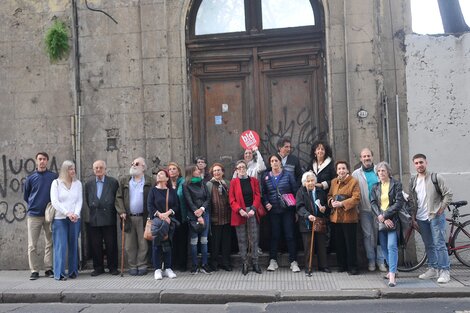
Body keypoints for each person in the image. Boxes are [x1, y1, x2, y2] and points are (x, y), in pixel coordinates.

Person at [409, 153, 453, 284]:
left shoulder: (435, 177)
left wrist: (441, 209)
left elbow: (448, 193)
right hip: (421, 217)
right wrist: (413, 217)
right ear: (414, 165)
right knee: (429, 244)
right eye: (416, 163)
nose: (419, 165)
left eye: (421, 162)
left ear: (426, 163)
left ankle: (445, 271)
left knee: (439, 244)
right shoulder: (413, 180)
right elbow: (413, 200)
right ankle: (433, 268)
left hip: (435, 216)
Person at [261, 154, 300, 272]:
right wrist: (266, 202)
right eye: (272, 161)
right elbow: (264, 193)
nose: (274, 163)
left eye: (276, 160)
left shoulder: (288, 175)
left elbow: (295, 191)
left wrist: (296, 210)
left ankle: (293, 261)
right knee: (274, 236)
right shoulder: (266, 177)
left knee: (289, 235)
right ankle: (273, 261)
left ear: (280, 162)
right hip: (273, 211)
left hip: (287, 210)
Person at [115, 157, 153, 276]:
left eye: (137, 164)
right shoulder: (124, 180)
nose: (133, 165)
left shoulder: (150, 181)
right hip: (128, 217)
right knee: (129, 244)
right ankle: (132, 265)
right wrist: (121, 211)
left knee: (143, 243)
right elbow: (118, 197)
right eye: (132, 163)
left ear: (143, 167)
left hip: (144, 216)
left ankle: (142, 265)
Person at [23, 152, 58, 280]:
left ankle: (48, 268)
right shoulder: (30, 178)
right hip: (34, 215)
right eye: (40, 159)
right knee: (32, 245)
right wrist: (34, 205)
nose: (42, 161)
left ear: (47, 161)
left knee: (50, 242)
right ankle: (34, 270)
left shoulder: (53, 177)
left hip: (49, 214)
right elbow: (26, 196)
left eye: (44, 159)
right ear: (36, 161)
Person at [352, 148, 387, 272]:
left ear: (372, 157)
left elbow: (389, 185)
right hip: (364, 209)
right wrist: (356, 208)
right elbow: (353, 192)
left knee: (380, 235)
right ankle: (371, 260)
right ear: (361, 159)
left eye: (368, 156)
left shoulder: (380, 170)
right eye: (364, 156)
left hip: (380, 210)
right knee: (368, 236)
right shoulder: (356, 174)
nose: (367, 158)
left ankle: (381, 261)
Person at [370, 162, 404, 287]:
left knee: (392, 246)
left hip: (393, 220)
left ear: (388, 172)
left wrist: (386, 215)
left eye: (383, 171)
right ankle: (391, 270)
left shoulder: (396, 184)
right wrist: (382, 218)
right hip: (380, 221)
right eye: (379, 171)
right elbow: (373, 203)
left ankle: (392, 275)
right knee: (383, 247)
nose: (381, 173)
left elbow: (399, 203)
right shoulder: (375, 187)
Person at [84, 160, 120, 276]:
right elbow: (88, 199)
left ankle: (113, 267)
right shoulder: (89, 184)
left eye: (100, 167)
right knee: (95, 244)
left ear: (105, 169)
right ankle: (98, 267)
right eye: (96, 168)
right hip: (94, 218)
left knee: (111, 244)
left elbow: (117, 199)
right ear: (93, 170)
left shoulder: (113, 182)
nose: (98, 170)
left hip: (109, 217)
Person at [229, 160, 263, 275]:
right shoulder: (233, 182)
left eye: (243, 167)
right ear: (236, 170)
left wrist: (253, 209)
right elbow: (232, 200)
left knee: (254, 238)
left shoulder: (253, 181)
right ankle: (244, 263)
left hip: (252, 211)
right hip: (239, 212)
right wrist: (239, 210)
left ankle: (255, 262)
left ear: (246, 168)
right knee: (242, 239)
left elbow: (258, 195)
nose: (242, 169)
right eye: (239, 168)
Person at [50, 160, 82, 280]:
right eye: (70, 169)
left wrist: (76, 214)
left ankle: (73, 271)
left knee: (74, 244)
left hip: (75, 219)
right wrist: (67, 213)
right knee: (60, 246)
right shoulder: (56, 183)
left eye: (73, 168)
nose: (73, 171)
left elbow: (79, 201)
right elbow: (55, 202)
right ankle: (60, 273)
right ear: (64, 170)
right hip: (60, 218)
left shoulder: (78, 184)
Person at [328, 160, 361, 275]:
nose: (341, 171)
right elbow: (330, 195)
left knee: (350, 244)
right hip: (336, 218)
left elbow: (356, 198)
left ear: (347, 170)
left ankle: (353, 267)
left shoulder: (353, 181)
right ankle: (341, 265)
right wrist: (331, 201)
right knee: (339, 243)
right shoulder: (333, 182)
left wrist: (342, 203)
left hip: (349, 218)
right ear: (336, 171)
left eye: (343, 168)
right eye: (339, 169)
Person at [295, 171, 330, 274]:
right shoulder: (300, 192)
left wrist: (324, 208)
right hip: (307, 222)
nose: (310, 183)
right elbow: (299, 207)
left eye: (312, 180)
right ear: (304, 182)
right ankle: (308, 266)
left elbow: (326, 205)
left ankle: (323, 266)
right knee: (308, 245)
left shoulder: (320, 191)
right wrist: (307, 215)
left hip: (319, 221)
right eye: (308, 181)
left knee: (321, 245)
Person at [147, 168, 179, 280]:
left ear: (166, 178)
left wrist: (168, 213)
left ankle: (168, 268)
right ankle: (157, 269)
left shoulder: (171, 191)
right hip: (157, 221)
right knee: (156, 245)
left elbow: (176, 206)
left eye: (161, 174)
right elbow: (150, 206)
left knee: (168, 244)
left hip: (169, 221)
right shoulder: (153, 191)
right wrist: (160, 215)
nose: (159, 175)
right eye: (158, 174)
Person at [183, 164, 212, 274]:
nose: (198, 170)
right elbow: (188, 201)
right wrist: (197, 214)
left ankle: (205, 264)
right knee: (194, 241)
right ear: (191, 172)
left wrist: (202, 209)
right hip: (193, 215)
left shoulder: (202, 182)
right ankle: (194, 265)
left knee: (204, 240)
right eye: (195, 169)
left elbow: (208, 198)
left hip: (204, 212)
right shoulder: (186, 185)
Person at [207, 163, 232, 271]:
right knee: (215, 243)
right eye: (215, 171)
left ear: (223, 172)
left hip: (227, 217)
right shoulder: (209, 184)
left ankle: (226, 263)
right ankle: (214, 264)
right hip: (214, 218)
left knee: (226, 243)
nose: (217, 172)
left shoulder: (227, 183)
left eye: (219, 170)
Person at [168, 161, 188, 272]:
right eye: (170, 169)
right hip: (170, 215)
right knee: (171, 240)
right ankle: (172, 264)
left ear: (178, 171)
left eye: (174, 169)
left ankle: (182, 264)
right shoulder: (166, 184)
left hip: (182, 214)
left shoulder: (183, 182)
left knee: (182, 240)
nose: (171, 171)